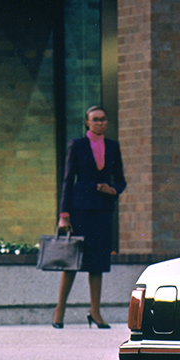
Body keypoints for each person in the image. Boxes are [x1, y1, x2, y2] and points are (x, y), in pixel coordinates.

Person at [53, 106, 127, 329]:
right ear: (87, 122)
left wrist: (112, 189)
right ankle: (60, 310)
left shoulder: (113, 146)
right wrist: (64, 215)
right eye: (95, 120)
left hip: (102, 210)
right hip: (80, 209)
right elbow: (68, 180)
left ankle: (95, 312)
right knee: (72, 260)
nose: (100, 123)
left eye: (103, 119)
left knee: (98, 262)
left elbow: (121, 180)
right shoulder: (77, 145)